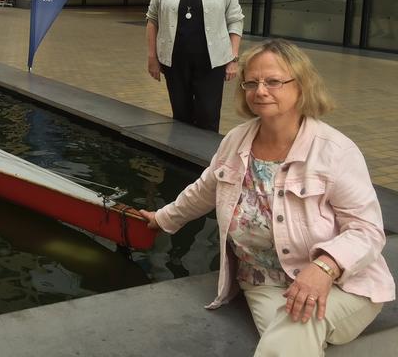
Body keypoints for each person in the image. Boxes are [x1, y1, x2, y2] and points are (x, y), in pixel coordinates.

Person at [140, 39, 394, 356]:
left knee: (297, 324)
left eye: (273, 81)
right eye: (252, 82)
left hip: (346, 285)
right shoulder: (236, 140)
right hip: (264, 282)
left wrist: (325, 268)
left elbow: (367, 231)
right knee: (294, 329)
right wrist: (162, 219)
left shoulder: (334, 151)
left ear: (301, 85)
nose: (260, 91)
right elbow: (205, 189)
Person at [146, 0, 244, 132]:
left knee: (208, 117)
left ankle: (206, 162)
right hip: (174, 60)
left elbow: (235, 19)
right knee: (180, 116)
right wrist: (152, 58)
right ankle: (180, 160)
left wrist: (233, 58)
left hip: (212, 61)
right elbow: (152, 18)